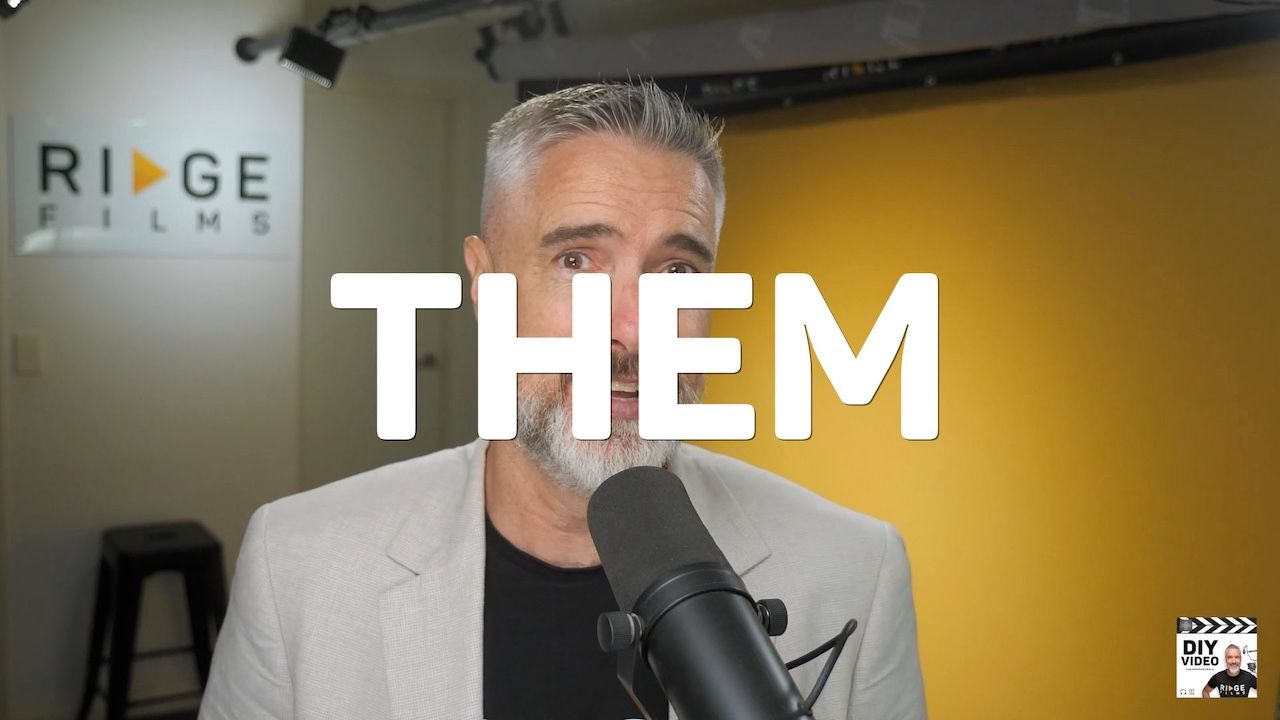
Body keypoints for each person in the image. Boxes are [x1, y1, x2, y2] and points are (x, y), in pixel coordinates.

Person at [200, 80, 926, 720]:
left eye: (677, 270)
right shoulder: (298, 565)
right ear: (485, 283)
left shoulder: (853, 572)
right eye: (576, 261)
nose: (631, 331)